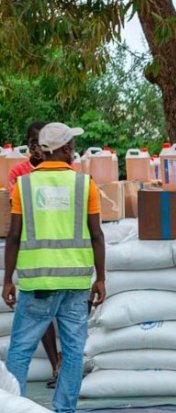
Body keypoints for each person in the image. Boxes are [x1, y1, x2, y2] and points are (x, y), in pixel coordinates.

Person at [2, 122, 106, 413]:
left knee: (20, 351)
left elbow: (13, 235)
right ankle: (64, 410)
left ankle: (12, 406)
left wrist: (7, 280)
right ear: (65, 149)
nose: (73, 149)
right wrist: (101, 278)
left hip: (37, 284)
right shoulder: (85, 184)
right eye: (71, 144)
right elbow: (96, 234)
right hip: (75, 283)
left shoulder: (24, 185)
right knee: (73, 351)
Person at [7, 121, 64, 389]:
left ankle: (61, 369)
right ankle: (55, 364)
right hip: (34, 256)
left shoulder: (67, 170)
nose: (35, 146)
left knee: (57, 315)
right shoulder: (18, 173)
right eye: (31, 140)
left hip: (63, 255)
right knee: (37, 317)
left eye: (39, 140)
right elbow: (17, 214)